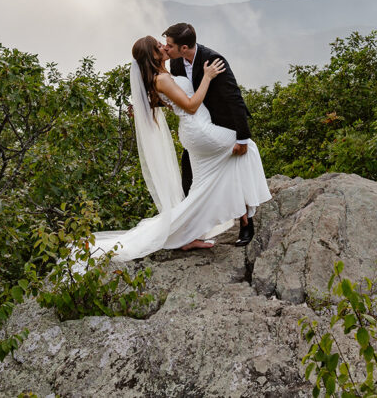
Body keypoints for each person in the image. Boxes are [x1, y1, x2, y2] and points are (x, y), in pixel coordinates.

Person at [80, 35, 271, 265]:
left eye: (164, 44)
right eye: (158, 46)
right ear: (152, 55)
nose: (163, 47)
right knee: (246, 148)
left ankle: (188, 236)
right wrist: (208, 78)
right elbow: (190, 106)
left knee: (202, 188)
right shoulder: (161, 79)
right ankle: (243, 219)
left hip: (195, 133)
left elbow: (168, 99)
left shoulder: (163, 74)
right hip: (200, 130)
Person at [162, 22, 259, 245]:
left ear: (184, 47)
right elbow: (178, 96)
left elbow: (234, 98)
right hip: (197, 130)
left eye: (169, 46)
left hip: (221, 127)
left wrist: (242, 137)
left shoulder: (214, 61)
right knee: (188, 181)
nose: (166, 49)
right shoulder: (176, 62)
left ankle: (245, 223)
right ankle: (191, 233)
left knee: (235, 171)